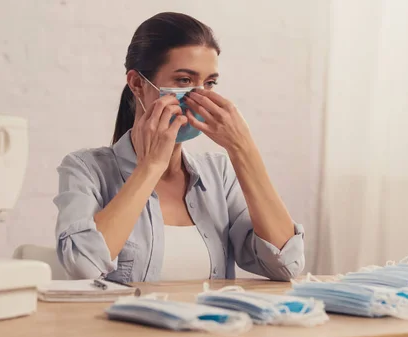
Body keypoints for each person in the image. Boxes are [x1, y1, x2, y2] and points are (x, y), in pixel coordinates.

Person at [53, 12, 305, 282]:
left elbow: (287, 265)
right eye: (184, 80)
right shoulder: (86, 169)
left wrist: (243, 149)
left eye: (209, 83)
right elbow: (83, 266)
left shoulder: (218, 174)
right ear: (138, 83)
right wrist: (150, 167)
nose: (199, 95)